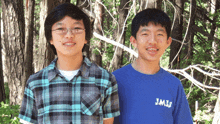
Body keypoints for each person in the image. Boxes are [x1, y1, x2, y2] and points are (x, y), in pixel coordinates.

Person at [19, 3, 120, 124]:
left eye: (76, 28)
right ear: (50, 38)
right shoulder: (35, 83)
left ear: (86, 37)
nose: (69, 35)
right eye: (61, 29)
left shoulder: (105, 79)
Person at [113, 8, 193, 124]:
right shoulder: (114, 80)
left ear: (168, 42)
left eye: (159, 34)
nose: (153, 41)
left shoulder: (174, 85)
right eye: (145, 34)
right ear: (134, 40)